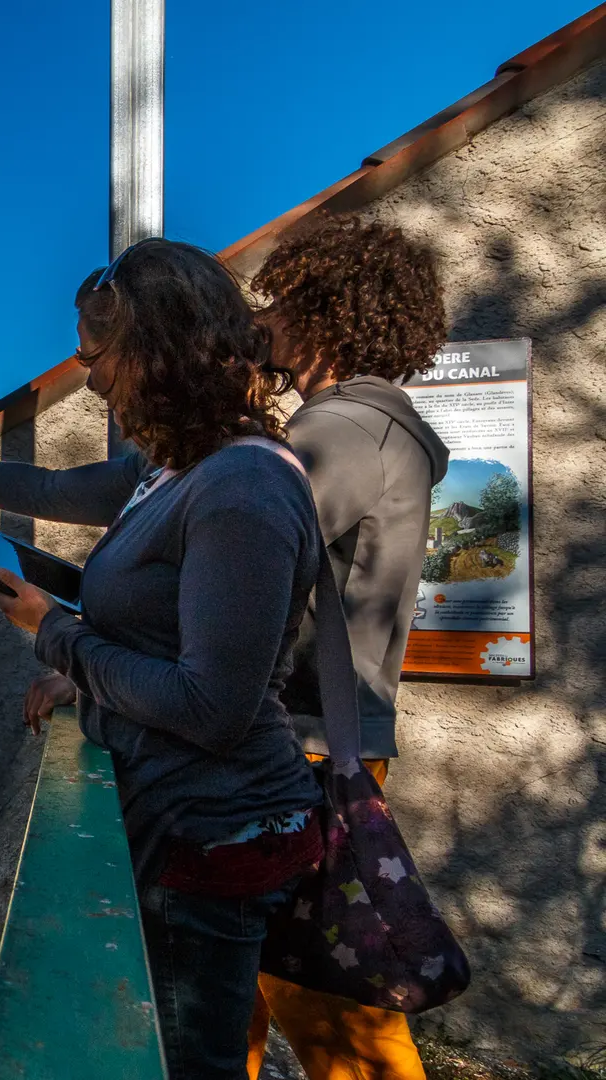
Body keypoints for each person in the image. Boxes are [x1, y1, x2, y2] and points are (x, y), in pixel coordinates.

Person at [0, 239, 326, 1078]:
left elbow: (211, 708)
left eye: (96, 357)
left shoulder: (242, 488)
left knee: (192, 1064)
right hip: (180, 824)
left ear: (156, 351)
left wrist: (55, 634)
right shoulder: (173, 468)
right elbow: (49, 492)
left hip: (212, 833)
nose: (92, 381)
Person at [237, 217, 449, 1079]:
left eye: (281, 302)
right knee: (238, 987)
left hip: (307, 747)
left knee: (333, 1016)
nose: (266, 320)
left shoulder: (345, 432)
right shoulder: (361, 426)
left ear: (325, 313)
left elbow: (238, 560)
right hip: (316, 738)